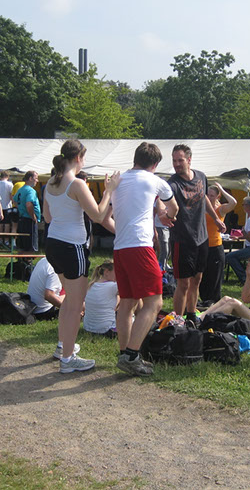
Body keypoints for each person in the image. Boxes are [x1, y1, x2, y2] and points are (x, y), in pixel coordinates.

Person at [42, 140, 119, 374]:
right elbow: (98, 216)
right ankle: (68, 359)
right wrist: (109, 191)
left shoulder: (50, 183)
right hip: (72, 247)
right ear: (78, 158)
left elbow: (47, 218)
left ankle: (62, 347)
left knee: (69, 301)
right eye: (84, 158)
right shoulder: (76, 184)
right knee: (75, 306)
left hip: (53, 244)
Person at [112, 142, 178, 376]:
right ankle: (132, 355)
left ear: (135, 159)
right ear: (155, 164)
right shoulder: (156, 181)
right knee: (154, 303)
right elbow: (174, 208)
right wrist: (166, 215)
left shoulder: (118, 180)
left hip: (120, 247)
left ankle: (125, 353)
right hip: (140, 246)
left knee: (127, 302)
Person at [168, 144, 225, 325]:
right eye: (174, 160)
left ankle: (192, 314)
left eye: (180, 160)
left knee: (197, 279)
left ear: (189, 160)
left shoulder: (200, 176)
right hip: (182, 239)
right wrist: (162, 214)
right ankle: (178, 320)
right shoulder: (173, 183)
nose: (176, 164)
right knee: (183, 283)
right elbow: (163, 202)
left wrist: (215, 219)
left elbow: (204, 198)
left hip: (202, 237)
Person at [201, 255, 250, 327]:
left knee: (233, 303)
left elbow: (245, 299)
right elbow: (245, 295)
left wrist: (249, 279)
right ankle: (201, 317)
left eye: (249, 267)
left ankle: (208, 320)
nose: (247, 270)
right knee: (226, 298)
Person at [199, 183, 237, 303]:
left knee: (214, 277)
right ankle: (204, 300)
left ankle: (214, 301)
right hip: (202, 246)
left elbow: (233, 203)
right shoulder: (202, 207)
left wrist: (221, 189)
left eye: (212, 195)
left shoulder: (220, 209)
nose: (209, 197)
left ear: (218, 196)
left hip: (215, 246)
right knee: (203, 276)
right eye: (207, 195)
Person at [226, 196, 250, 283]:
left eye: (243, 205)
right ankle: (248, 276)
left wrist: (243, 232)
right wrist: (239, 237)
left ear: (248, 206)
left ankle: (244, 278)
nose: (242, 207)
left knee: (230, 256)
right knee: (232, 256)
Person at [83, 262, 119, 337]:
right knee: (133, 299)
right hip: (107, 330)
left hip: (88, 328)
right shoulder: (112, 286)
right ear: (106, 272)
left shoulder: (91, 285)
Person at [13, 171, 41, 256]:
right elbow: (29, 204)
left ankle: (21, 262)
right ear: (30, 178)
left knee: (22, 246)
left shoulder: (20, 189)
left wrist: (21, 209)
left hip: (22, 219)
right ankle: (27, 263)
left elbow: (14, 200)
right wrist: (33, 217)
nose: (37, 181)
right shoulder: (31, 191)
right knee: (30, 247)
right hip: (29, 220)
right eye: (36, 178)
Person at [0, 171, 14, 244]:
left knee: (0, 223)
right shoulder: (10, 184)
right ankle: (6, 240)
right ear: (8, 176)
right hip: (7, 206)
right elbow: (11, 196)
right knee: (7, 223)